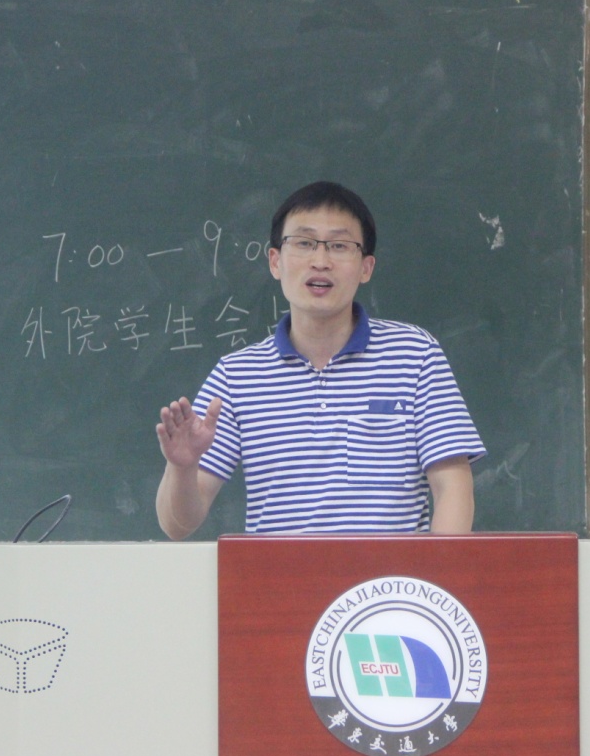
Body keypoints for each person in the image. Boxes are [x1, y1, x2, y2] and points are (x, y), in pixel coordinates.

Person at [155, 181, 485, 539]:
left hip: (390, 576)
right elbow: (177, 525)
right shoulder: (236, 376)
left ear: (366, 267)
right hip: (277, 575)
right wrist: (182, 468)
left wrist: (434, 569)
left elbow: (453, 487)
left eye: (340, 246)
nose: (321, 261)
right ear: (275, 262)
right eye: (304, 243)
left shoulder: (415, 355)